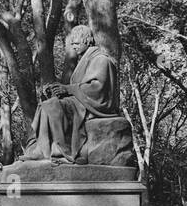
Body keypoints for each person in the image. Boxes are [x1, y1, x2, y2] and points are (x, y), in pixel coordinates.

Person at [19, 25, 120, 163]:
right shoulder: (86, 59)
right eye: (72, 43)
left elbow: (97, 88)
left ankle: (61, 150)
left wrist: (68, 89)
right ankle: (42, 149)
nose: (74, 46)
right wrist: (58, 91)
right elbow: (76, 88)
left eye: (77, 43)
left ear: (87, 41)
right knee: (46, 105)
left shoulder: (101, 59)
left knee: (51, 107)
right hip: (80, 101)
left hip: (93, 106)